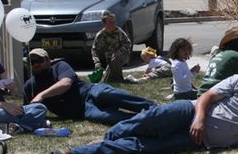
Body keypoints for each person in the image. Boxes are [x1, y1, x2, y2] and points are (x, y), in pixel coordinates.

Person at [49, 63, 238, 154]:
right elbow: (208, 96)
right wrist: (199, 119)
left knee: (143, 146)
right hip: (190, 111)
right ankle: (109, 136)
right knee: (145, 120)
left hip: (200, 140)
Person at [23, 48, 155, 125]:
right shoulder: (30, 86)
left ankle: (153, 108)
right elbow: (25, 111)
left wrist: (41, 95)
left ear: (47, 60)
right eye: (32, 62)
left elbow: (66, 83)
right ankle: (145, 120)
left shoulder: (59, 66)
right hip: (83, 110)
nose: (36, 64)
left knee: (108, 94)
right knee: (107, 117)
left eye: (39, 60)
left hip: (91, 91)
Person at [0, 29, 48, 132]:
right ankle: (33, 124)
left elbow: (12, 92)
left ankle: (18, 127)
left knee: (40, 107)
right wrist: (2, 105)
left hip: (5, 108)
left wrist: (12, 88)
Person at [198, 26, 238, 96]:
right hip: (214, 98)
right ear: (236, 42)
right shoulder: (236, 56)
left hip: (201, 94)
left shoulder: (217, 54)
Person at [91, 11, 132, 83]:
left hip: (122, 55)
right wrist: (97, 62)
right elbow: (94, 50)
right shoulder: (100, 35)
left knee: (116, 60)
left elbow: (128, 43)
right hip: (110, 59)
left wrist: (118, 52)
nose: (113, 24)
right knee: (107, 80)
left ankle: (119, 80)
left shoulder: (119, 31)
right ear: (104, 23)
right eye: (110, 22)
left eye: (114, 21)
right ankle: (124, 79)